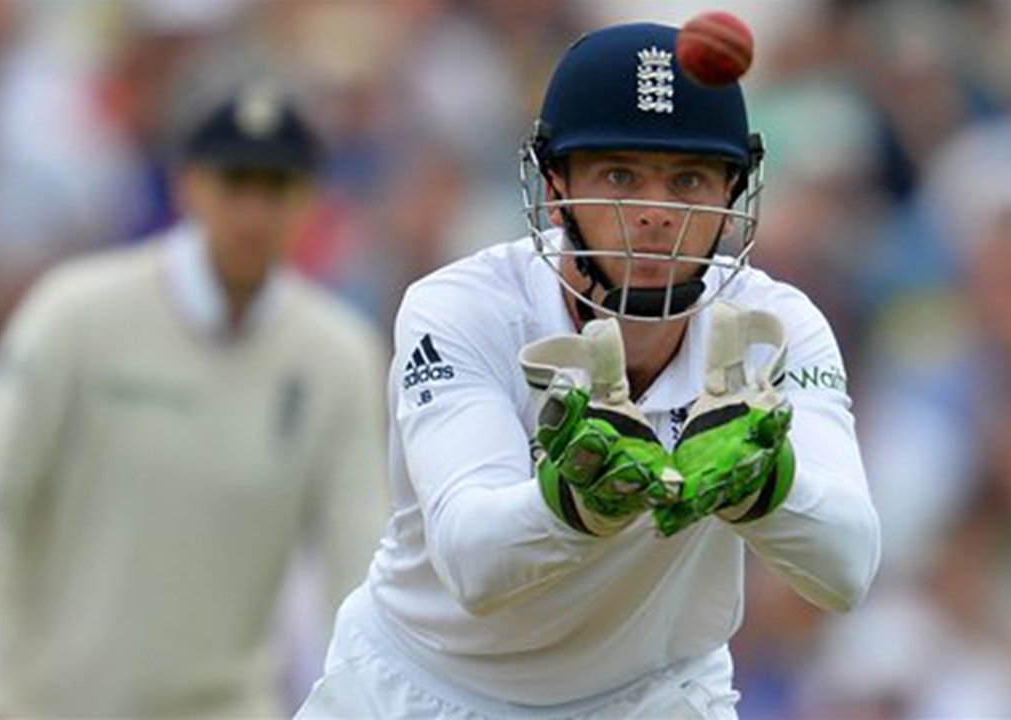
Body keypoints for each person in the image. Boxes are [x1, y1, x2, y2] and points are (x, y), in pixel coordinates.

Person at [296, 21, 880, 720]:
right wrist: (574, 502)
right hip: (420, 688)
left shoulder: (776, 326)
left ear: (733, 192)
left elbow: (848, 565)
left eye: (689, 178)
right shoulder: (460, 308)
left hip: (652, 697)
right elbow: (473, 561)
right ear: (555, 184)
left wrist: (762, 486)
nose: (656, 213)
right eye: (620, 176)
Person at [0, 86, 389, 718]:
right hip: (50, 704)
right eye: (235, 184)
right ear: (189, 186)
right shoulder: (76, 314)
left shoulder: (336, 357)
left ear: (308, 201)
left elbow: (357, 563)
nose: (253, 214)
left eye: (276, 188)